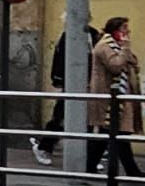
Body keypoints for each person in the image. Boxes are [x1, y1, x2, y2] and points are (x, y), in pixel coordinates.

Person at [31, 22, 101, 166]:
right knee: (60, 117)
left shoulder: (93, 35)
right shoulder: (67, 35)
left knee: (87, 120)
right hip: (71, 83)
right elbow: (60, 57)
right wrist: (58, 78)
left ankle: (88, 157)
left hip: (88, 83)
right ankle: (43, 147)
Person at [86, 16, 145, 177]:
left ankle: (91, 167)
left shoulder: (118, 47)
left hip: (121, 95)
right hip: (108, 98)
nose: (127, 32)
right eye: (124, 28)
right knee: (115, 133)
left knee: (115, 134)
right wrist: (125, 47)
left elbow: (132, 62)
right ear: (115, 30)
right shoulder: (104, 46)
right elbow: (116, 66)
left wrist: (125, 50)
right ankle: (130, 170)